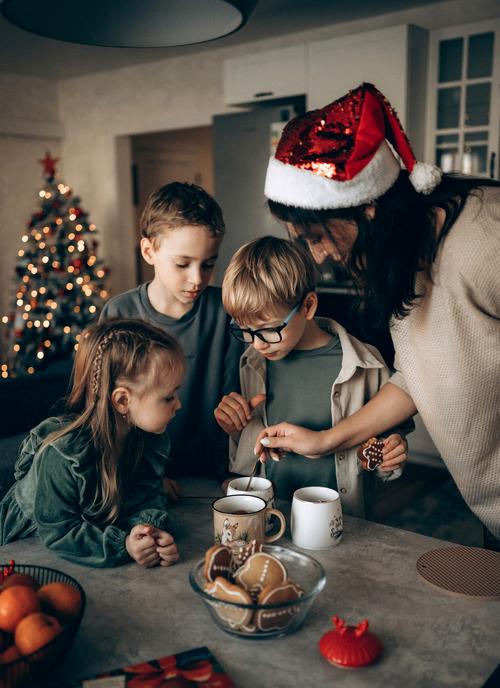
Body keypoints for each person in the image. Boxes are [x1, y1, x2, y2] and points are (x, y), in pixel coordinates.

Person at [256, 82, 500, 546]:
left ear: (367, 210)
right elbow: (417, 376)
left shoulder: (486, 238)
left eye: (316, 236)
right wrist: (325, 441)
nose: (320, 256)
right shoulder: (397, 258)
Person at [214, 236, 410, 517]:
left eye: (269, 329)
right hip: (272, 514)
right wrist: (235, 425)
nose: (257, 343)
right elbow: (251, 446)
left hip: (342, 518)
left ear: (308, 306)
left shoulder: (365, 365)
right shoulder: (252, 363)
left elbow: (386, 439)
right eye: (245, 330)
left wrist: (391, 453)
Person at [0, 319, 184, 568]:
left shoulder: (147, 439)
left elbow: (147, 496)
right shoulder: (63, 455)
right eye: (168, 397)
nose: (178, 404)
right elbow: (60, 531)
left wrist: (146, 533)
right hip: (20, 550)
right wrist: (123, 545)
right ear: (122, 401)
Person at [100, 182, 243, 487]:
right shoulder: (119, 313)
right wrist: (143, 477)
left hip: (213, 477)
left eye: (208, 264)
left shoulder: (227, 311)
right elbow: (103, 411)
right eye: (182, 264)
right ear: (149, 251)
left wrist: (233, 469)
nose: (197, 279)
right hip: (138, 479)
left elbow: (235, 394)